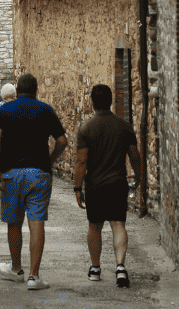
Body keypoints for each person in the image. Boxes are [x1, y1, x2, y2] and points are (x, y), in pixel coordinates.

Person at [0, 72, 68, 291]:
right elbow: (62, 140)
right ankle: (34, 276)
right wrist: (50, 160)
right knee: (36, 222)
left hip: (11, 173)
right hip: (38, 172)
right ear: (36, 90)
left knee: (14, 223)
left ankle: (16, 270)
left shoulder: (5, 110)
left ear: (17, 89)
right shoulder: (45, 109)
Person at [73, 84, 142, 288]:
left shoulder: (86, 129)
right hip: (117, 184)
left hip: (94, 185)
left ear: (92, 103)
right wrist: (138, 178)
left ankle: (95, 269)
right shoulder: (124, 126)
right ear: (111, 101)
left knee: (94, 227)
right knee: (118, 225)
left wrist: (78, 187)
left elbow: (81, 162)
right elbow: (135, 156)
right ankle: (120, 268)